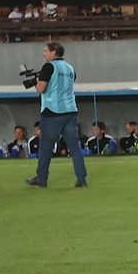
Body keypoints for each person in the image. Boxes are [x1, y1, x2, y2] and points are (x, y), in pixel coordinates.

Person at [25, 42, 87, 189]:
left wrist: (36, 81)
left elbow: (41, 89)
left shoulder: (49, 67)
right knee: (75, 147)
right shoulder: (70, 68)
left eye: (45, 51)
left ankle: (42, 179)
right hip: (70, 110)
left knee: (45, 147)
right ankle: (81, 179)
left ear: (53, 53)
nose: (43, 53)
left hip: (53, 111)